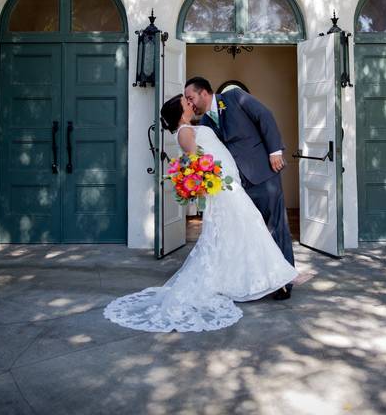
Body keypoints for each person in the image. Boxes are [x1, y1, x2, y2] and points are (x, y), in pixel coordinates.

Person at [102, 95, 297, 333]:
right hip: (224, 189)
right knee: (251, 228)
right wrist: (212, 179)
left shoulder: (191, 127)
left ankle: (250, 279)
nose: (190, 103)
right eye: (186, 102)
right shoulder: (184, 132)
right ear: (180, 111)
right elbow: (198, 165)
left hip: (228, 186)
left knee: (240, 232)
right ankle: (270, 279)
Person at [184, 76, 295, 300]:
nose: (190, 103)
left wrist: (275, 151)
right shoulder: (205, 124)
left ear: (204, 92)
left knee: (276, 227)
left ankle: (284, 283)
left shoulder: (234, 97)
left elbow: (265, 116)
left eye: (191, 97)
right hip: (236, 185)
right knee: (251, 233)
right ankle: (258, 279)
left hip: (263, 174)